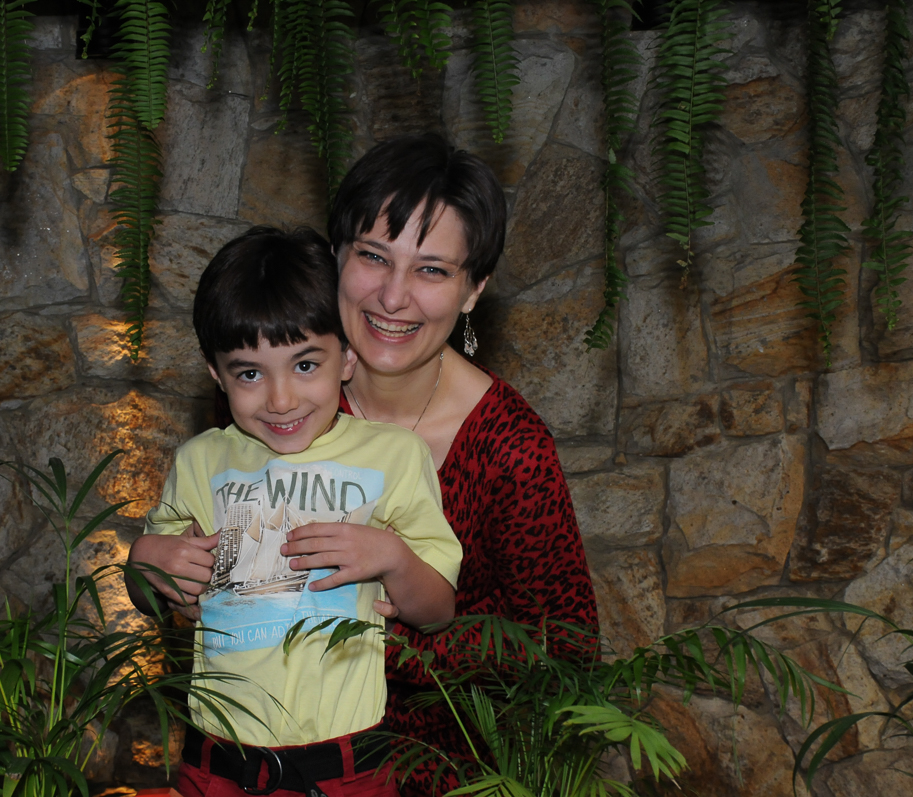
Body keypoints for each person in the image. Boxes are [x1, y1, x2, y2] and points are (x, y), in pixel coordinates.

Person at [125, 226, 463, 797]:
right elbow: (156, 596)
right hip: (218, 763)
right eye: (250, 373)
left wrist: (395, 558)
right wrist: (143, 560)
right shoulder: (200, 461)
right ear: (215, 373)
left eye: (305, 365)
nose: (281, 400)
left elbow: (438, 611)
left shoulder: (395, 456)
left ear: (347, 356)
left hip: (348, 768)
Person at [317, 133, 600, 795]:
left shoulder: (509, 447)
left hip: (442, 773)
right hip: (279, 759)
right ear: (336, 256)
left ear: (474, 290)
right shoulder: (281, 402)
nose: (393, 296)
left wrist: (387, 643)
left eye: (432, 271)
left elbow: (565, 648)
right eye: (373, 256)